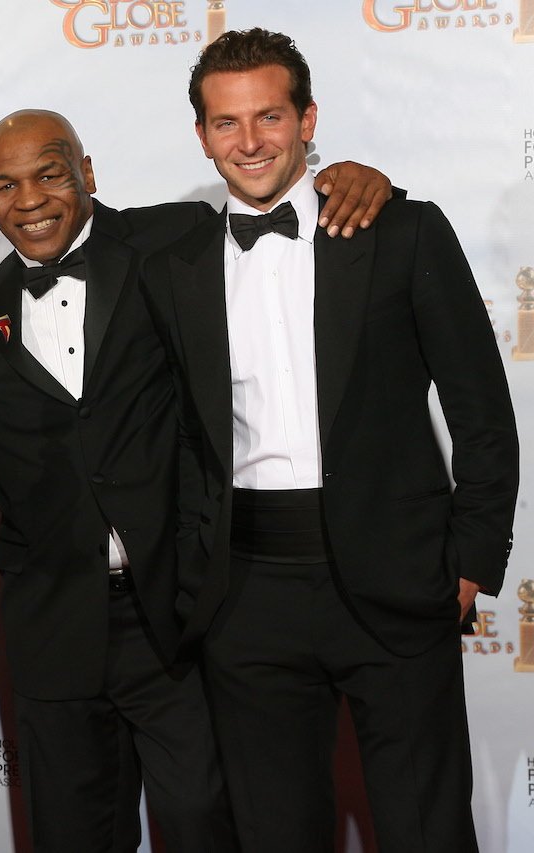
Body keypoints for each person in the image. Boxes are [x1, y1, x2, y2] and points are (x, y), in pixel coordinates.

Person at [0, 108, 393, 852]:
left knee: (203, 823)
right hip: (53, 627)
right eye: (4, 184)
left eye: (50, 174)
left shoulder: (175, 239)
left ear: (87, 174)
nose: (28, 199)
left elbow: (276, 209)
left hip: (178, 618)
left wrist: (351, 177)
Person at [140, 28, 519, 853]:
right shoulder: (170, 261)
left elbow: (483, 411)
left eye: (270, 116)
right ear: (201, 135)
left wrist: (468, 564)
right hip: (245, 596)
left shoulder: (399, 229)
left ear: (309, 119)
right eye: (227, 123)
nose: (249, 141)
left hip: (398, 579)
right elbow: (57, 224)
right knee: (276, 835)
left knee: (428, 829)